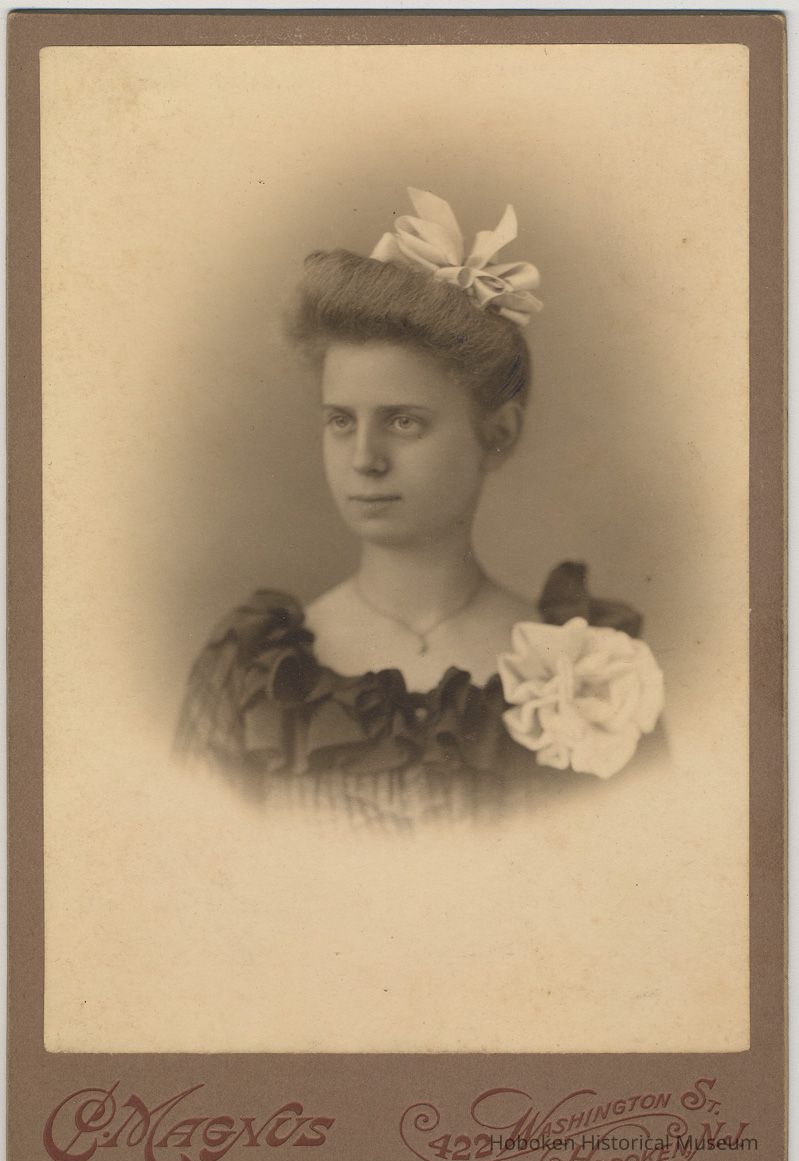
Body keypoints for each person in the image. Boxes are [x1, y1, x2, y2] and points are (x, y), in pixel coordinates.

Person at [175, 189, 664, 828]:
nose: (364, 459)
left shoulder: (598, 675)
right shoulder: (249, 674)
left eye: (404, 421)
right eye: (341, 421)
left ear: (499, 434)